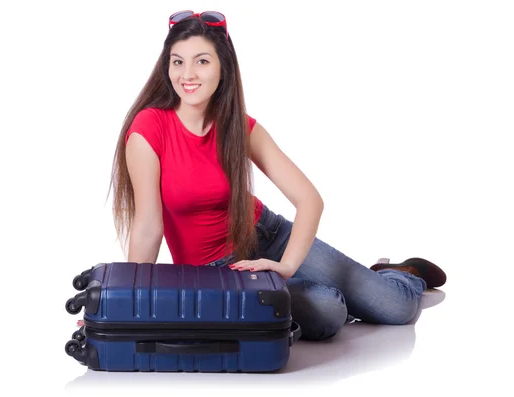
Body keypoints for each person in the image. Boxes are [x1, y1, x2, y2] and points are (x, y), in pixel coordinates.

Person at [96, 10, 447, 340]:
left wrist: (289, 266)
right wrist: (126, 307)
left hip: (268, 234)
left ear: (223, 68)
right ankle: (349, 288)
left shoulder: (240, 128)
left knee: (398, 307)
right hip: (218, 273)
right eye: (178, 62)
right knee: (327, 312)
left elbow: (309, 199)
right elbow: (147, 227)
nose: (187, 75)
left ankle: (400, 274)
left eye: (202, 61)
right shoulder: (148, 129)